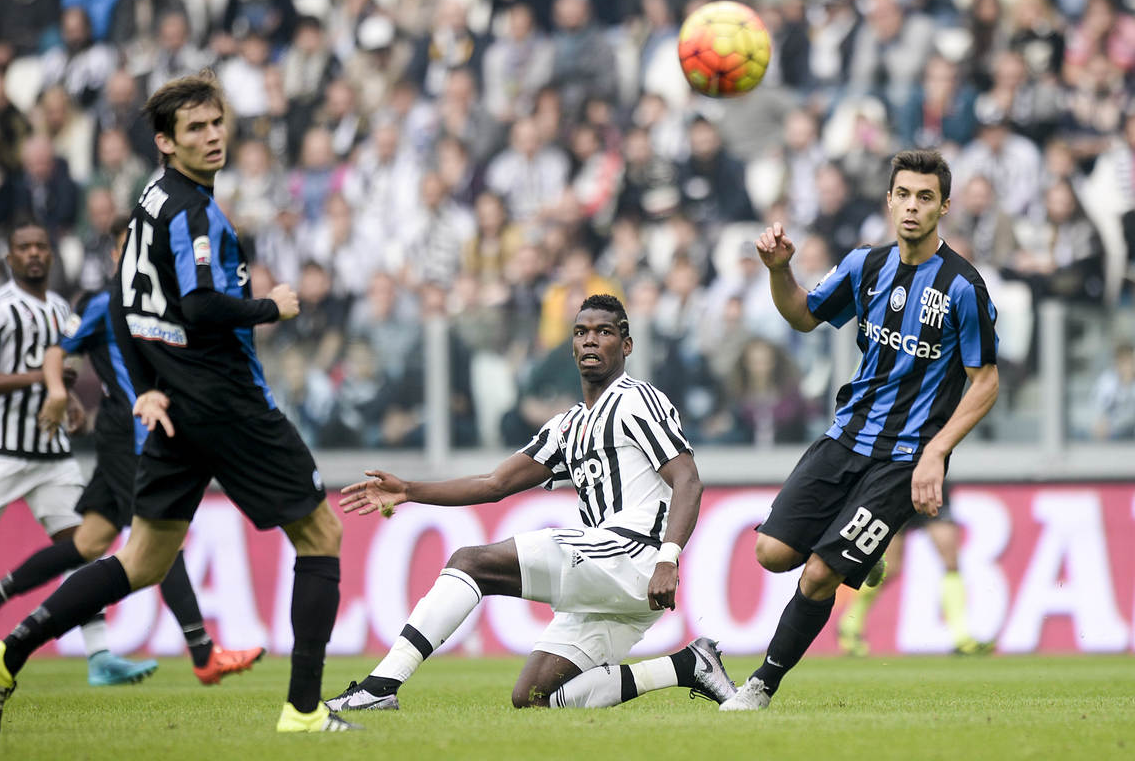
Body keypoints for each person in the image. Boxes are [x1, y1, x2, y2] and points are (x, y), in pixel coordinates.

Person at [0, 71, 353, 734]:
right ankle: (305, 711)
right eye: (195, 128)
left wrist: (144, 384)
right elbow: (199, 306)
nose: (212, 136)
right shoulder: (193, 212)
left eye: (217, 122)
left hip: (172, 406)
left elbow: (118, 301)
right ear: (166, 142)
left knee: (141, 559)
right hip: (227, 402)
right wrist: (271, 307)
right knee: (322, 534)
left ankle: (6, 654)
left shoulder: (149, 198)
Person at [327, 294, 739, 713]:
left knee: (470, 562)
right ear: (572, 346)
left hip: (633, 557)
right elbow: (495, 483)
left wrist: (668, 559)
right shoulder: (567, 425)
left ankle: (380, 687)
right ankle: (688, 665)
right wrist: (410, 491)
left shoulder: (637, 400)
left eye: (604, 332)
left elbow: (688, 480)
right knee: (534, 697)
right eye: (581, 332)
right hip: (612, 580)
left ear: (627, 345)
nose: (590, 340)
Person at [721, 149, 999, 711]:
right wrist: (779, 271)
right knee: (771, 553)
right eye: (904, 195)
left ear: (944, 207)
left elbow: (986, 381)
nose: (913, 207)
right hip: (846, 435)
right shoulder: (864, 266)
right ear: (889, 200)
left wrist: (937, 452)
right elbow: (803, 315)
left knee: (819, 575)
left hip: (905, 457)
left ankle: (761, 685)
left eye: (926, 197)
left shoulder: (963, 287)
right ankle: (864, 557)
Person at [0, 218, 266, 685]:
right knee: (162, 542)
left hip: (141, 436)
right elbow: (58, 351)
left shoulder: (167, 304)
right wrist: (58, 393)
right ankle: (203, 651)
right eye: (131, 246)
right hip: (131, 438)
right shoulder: (104, 302)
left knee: (87, 543)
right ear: (117, 255)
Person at [0, 221, 154, 686]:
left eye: (41, 246)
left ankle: (100, 658)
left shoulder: (60, 309)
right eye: (24, 247)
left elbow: (62, 372)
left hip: (52, 452)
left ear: (51, 256)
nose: (34, 253)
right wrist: (41, 379)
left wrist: (68, 401)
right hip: (2, 448)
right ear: (10, 257)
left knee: (84, 546)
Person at [837, 481, 995, 657]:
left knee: (951, 560)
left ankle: (962, 637)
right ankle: (850, 625)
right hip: (899, 483)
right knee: (889, 567)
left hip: (931, 482)